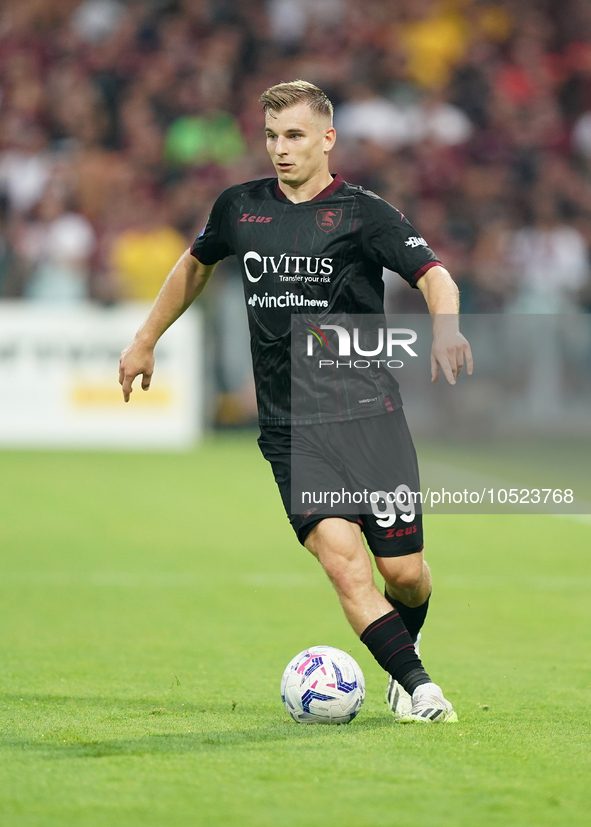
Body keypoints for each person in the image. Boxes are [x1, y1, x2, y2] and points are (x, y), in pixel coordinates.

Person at [119, 80, 473, 723]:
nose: (280, 150)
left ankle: (406, 638)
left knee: (405, 573)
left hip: (370, 417)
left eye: (295, 136)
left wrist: (445, 327)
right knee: (343, 564)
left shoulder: (364, 213)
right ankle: (421, 690)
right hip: (291, 427)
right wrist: (145, 340)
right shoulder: (240, 208)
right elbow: (194, 265)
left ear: (327, 139)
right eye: (272, 137)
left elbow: (434, 274)